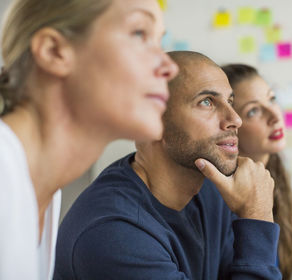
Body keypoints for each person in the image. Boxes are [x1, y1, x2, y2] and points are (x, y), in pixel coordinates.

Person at [54, 51, 282, 280]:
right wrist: (257, 216)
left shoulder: (211, 193)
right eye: (207, 102)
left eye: (230, 101)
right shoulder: (114, 233)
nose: (235, 119)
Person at [0, 0, 178, 279]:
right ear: (54, 51)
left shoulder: (44, 192)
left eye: (160, 40)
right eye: (139, 34)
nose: (170, 67)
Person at [221, 64, 292, 280]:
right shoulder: (222, 198)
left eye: (272, 99)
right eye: (253, 111)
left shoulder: (275, 172)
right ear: (231, 125)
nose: (275, 115)